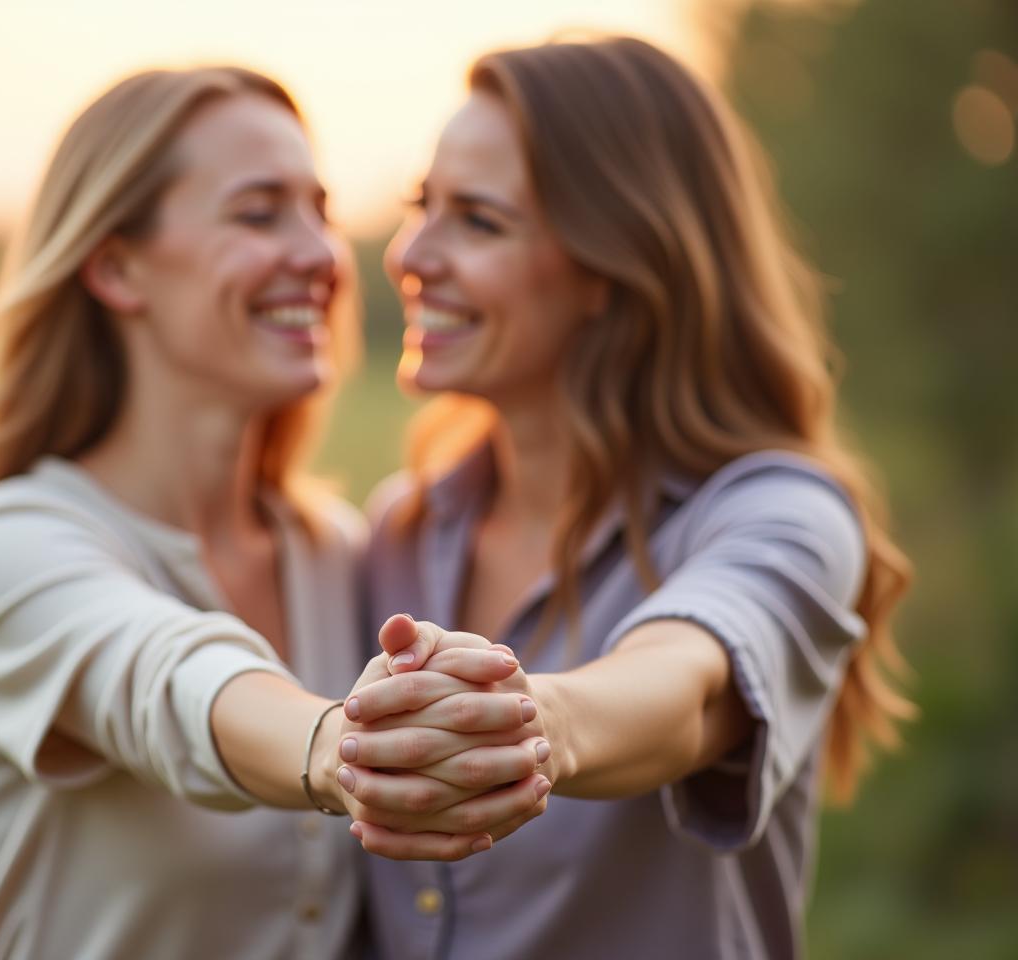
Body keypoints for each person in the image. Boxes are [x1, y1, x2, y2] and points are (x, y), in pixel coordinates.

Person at [0, 67, 549, 960]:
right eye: (260, 212)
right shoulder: (11, 543)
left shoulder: (340, 554)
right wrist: (337, 747)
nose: (321, 255)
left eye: (319, 210)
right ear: (116, 267)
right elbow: (166, 678)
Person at [345, 36, 913, 960]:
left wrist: (536, 727)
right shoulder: (398, 533)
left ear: (612, 265)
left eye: (478, 222)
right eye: (421, 206)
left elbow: (686, 691)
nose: (412, 254)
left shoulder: (783, 516)